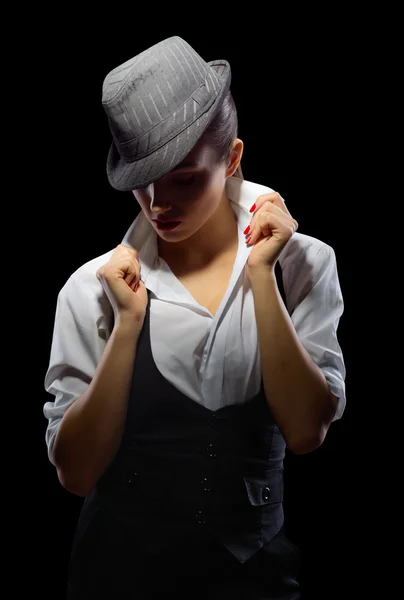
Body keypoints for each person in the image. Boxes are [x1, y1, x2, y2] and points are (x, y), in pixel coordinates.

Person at [43, 36, 346, 599]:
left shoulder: (303, 264)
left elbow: (307, 432)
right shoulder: (91, 288)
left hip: (259, 585)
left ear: (232, 159)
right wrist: (128, 326)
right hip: (116, 583)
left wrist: (261, 276)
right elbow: (76, 474)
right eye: (142, 181)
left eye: (184, 177)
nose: (158, 203)